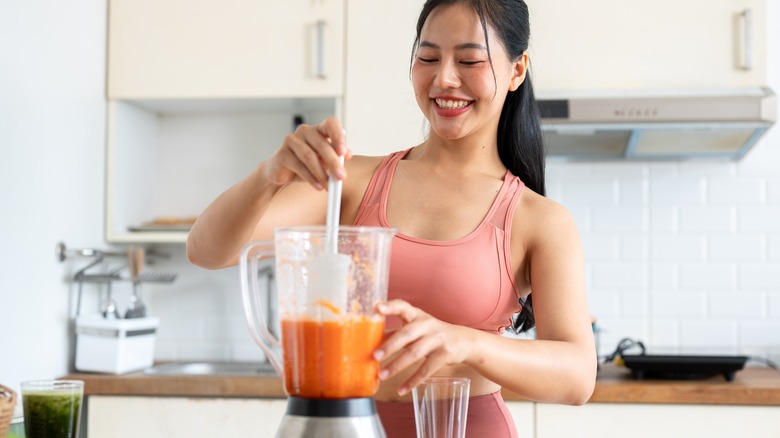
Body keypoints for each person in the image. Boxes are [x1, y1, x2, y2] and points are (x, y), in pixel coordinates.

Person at [186, 0, 596, 436]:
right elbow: (207, 251)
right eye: (428, 57)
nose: (444, 79)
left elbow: (576, 377)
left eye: (470, 60)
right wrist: (267, 176)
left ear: (517, 70)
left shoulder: (540, 219)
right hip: (350, 426)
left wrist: (468, 341)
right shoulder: (351, 180)